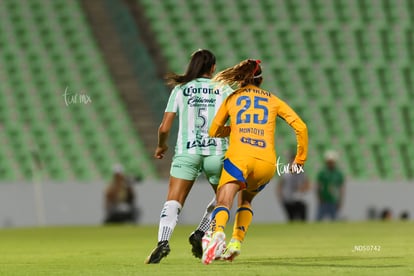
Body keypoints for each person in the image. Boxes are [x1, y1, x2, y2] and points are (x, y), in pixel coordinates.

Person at [201, 59, 308, 264]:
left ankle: (217, 236)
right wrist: (299, 160)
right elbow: (301, 127)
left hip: (239, 158)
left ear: (240, 79)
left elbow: (213, 131)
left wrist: (234, 129)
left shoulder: (233, 98)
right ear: (261, 80)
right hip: (266, 163)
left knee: (224, 201)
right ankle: (236, 243)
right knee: (246, 200)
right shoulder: (273, 99)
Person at [145, 49, 233, 264]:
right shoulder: (224, 89)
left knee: (174, 200)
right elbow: (237, 122)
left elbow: (164, 127)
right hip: (217, 152)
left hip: (187, 151)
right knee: (224, 199)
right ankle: (202, 232)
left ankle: (163, 242)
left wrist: (161, 146)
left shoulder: (181, 89)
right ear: (212, 68)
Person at [277, 153, 311, 222]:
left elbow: (307, 184)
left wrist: (302, 189)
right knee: (291, 219)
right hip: (288, 199)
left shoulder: (302, 172)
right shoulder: (286, 172)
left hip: (299, 199)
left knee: (302, 218)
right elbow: (280, 185)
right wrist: (281, 196)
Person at [316, 150, 345, 221]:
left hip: (333, 201)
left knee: (334, 220)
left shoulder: (338, 174)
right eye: (329, 162)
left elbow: (341, 188)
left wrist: (340, 200)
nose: (330, 164)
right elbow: (318, 187)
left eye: (331, 162)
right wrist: (319, 199)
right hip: (324, 200)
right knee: (318, 219)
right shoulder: (322, 173)